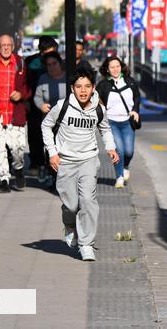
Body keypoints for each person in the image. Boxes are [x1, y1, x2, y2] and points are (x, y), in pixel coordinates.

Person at [41, 65, 118, 262]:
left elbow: (105, 129)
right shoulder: (62, 106)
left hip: (89, 160)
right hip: (65, 161)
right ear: (72, 88)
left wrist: (110, 148)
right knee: (71, 205)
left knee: (88, 201)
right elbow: (46, 125)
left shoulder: (98, 109)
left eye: (87, 86)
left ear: (93, 88)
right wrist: (53, 153)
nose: (83, 90)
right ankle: (69, 225)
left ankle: (86, 244)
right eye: (78, 86)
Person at [0, 34, 32, 193]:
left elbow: (28, 86)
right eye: (2, 45)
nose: (6, 48)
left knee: (18, 148)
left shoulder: (20, 63)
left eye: (9, 45)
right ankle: (3, 180)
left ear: (13, 47)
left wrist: (21, 94)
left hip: (15, 114)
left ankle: (18, 168)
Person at [96, 57, 141, 188]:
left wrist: (135, 110)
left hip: (127, 121)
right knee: (119, 151)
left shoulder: (130, 82)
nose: (115, 69)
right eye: (112, 67)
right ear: (107, 69)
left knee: (129, 152)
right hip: (111, 122)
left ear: (121, 67)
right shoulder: (103, 85)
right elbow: (97, 102)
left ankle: (126, 166)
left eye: (117, 66)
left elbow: (137, 97)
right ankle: (119, 177)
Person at [25, 35, 58, 178]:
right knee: (35, 133)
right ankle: (37, 162)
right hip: (34, 103)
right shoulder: (31, 62)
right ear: (41, 51)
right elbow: (25, 82)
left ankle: (49, 162)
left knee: (52, 134)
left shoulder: (57, 62)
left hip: (52, 104)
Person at [33, 52, 67, 187]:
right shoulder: (43, 79)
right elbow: (37, 96)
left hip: (66, 122)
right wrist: (41, 105)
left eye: (54, 64)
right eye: (48, 65)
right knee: (51, 151)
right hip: (49, 122)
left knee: (64, 151)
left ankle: (65, 179)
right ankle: (54, 178)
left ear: (60, 63)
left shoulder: (68, 78)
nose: (52, 67)